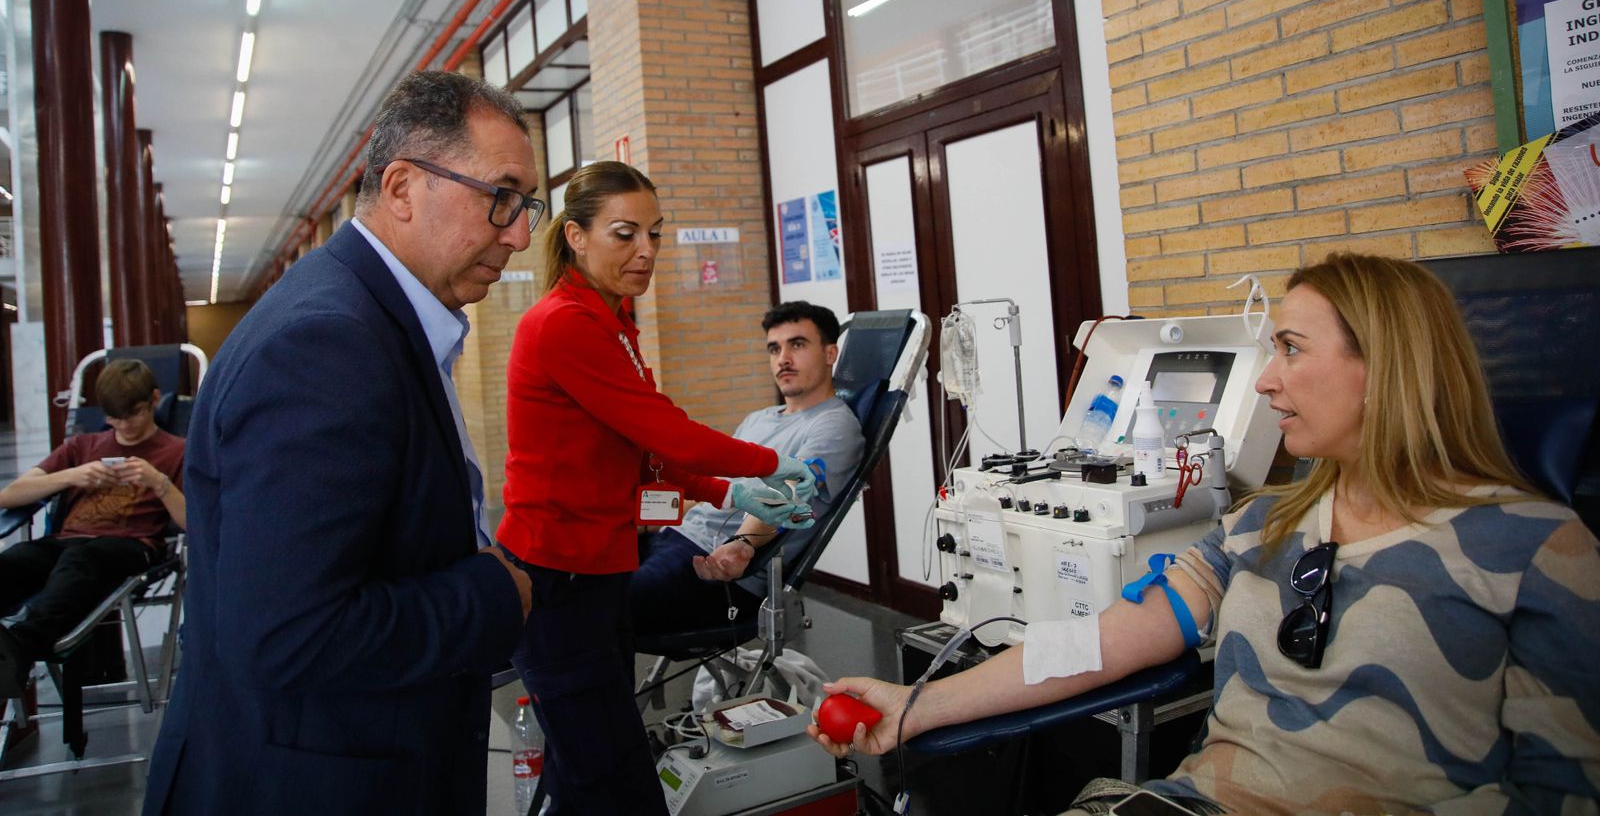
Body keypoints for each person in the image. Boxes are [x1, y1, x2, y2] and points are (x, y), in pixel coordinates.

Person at [811, 253, 1600, 815]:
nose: (1262, 379)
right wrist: (917, 703)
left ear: (1387, 365)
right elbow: (1099, 642)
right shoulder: (1260, 525)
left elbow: (1564, 787)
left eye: (1290, 349)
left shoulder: (1533, 549)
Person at [143, 71, 536, 816]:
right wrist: (491, 593)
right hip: (314, 780)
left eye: (526, 208)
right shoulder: (327, 344)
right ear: (400, 188)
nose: (518, 233)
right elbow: (293, 632)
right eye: (502, 197)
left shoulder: (368, 317)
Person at [499, 160, 818, 815]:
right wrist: (760, 465)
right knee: (617, 782)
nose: (646, 250)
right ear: (577, 236)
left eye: (655, 233)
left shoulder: (613, 319)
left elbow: (643, 452)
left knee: (582, 766)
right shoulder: (566, 323)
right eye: (625, 233)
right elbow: (665, 431)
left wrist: (726, 494)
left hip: (602, 568)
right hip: (560, 579)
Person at [630, 300, 865, 634]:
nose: (783, 359)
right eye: (774, 348)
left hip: (717, 569)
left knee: (596, 608)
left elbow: (791, 495)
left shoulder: (834, 426)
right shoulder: (759, 419)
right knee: (568, 578)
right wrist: (642, 521)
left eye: (797, 344)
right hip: (674, 538)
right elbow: (713, 492)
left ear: (830, 354)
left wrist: (743, 543)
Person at [0, 359, 185, 697]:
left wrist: (158, 483)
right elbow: (9, 496)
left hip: (132, 545)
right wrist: (72, 475)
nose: (125, 426)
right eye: (114, 418)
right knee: (15, 559)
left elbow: (195, 521)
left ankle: (21, 648)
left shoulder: (176, 451)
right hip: (66, 542)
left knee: (81, 561)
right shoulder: (81, 447)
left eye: (134, 415)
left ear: (155, 399)